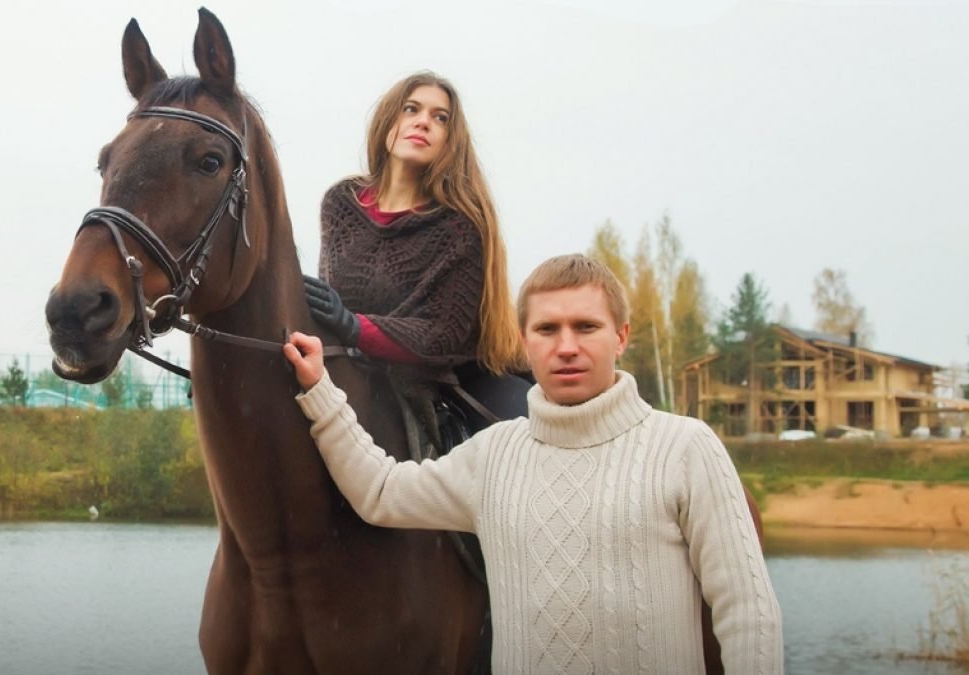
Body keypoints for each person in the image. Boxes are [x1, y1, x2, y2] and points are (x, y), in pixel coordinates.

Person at [283, 254, 784, 674]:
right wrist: (321, 391)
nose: (567, 346)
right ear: (526, 341)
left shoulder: (687, 448)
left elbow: (747, 612)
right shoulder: (494, 455)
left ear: (622, 336)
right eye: (548, 329)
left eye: (586, 326)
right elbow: (380, 492)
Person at [303, 71, 529, 424]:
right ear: (388, 121)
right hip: (349, 365)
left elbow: (443, 333)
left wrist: (353, 326)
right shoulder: (340, 203)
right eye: (411, 109)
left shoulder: (461, 224)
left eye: (440, 118)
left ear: (450, 141)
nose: (423, 122)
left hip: (450, 376)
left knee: (522, 440)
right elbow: (330, 300)